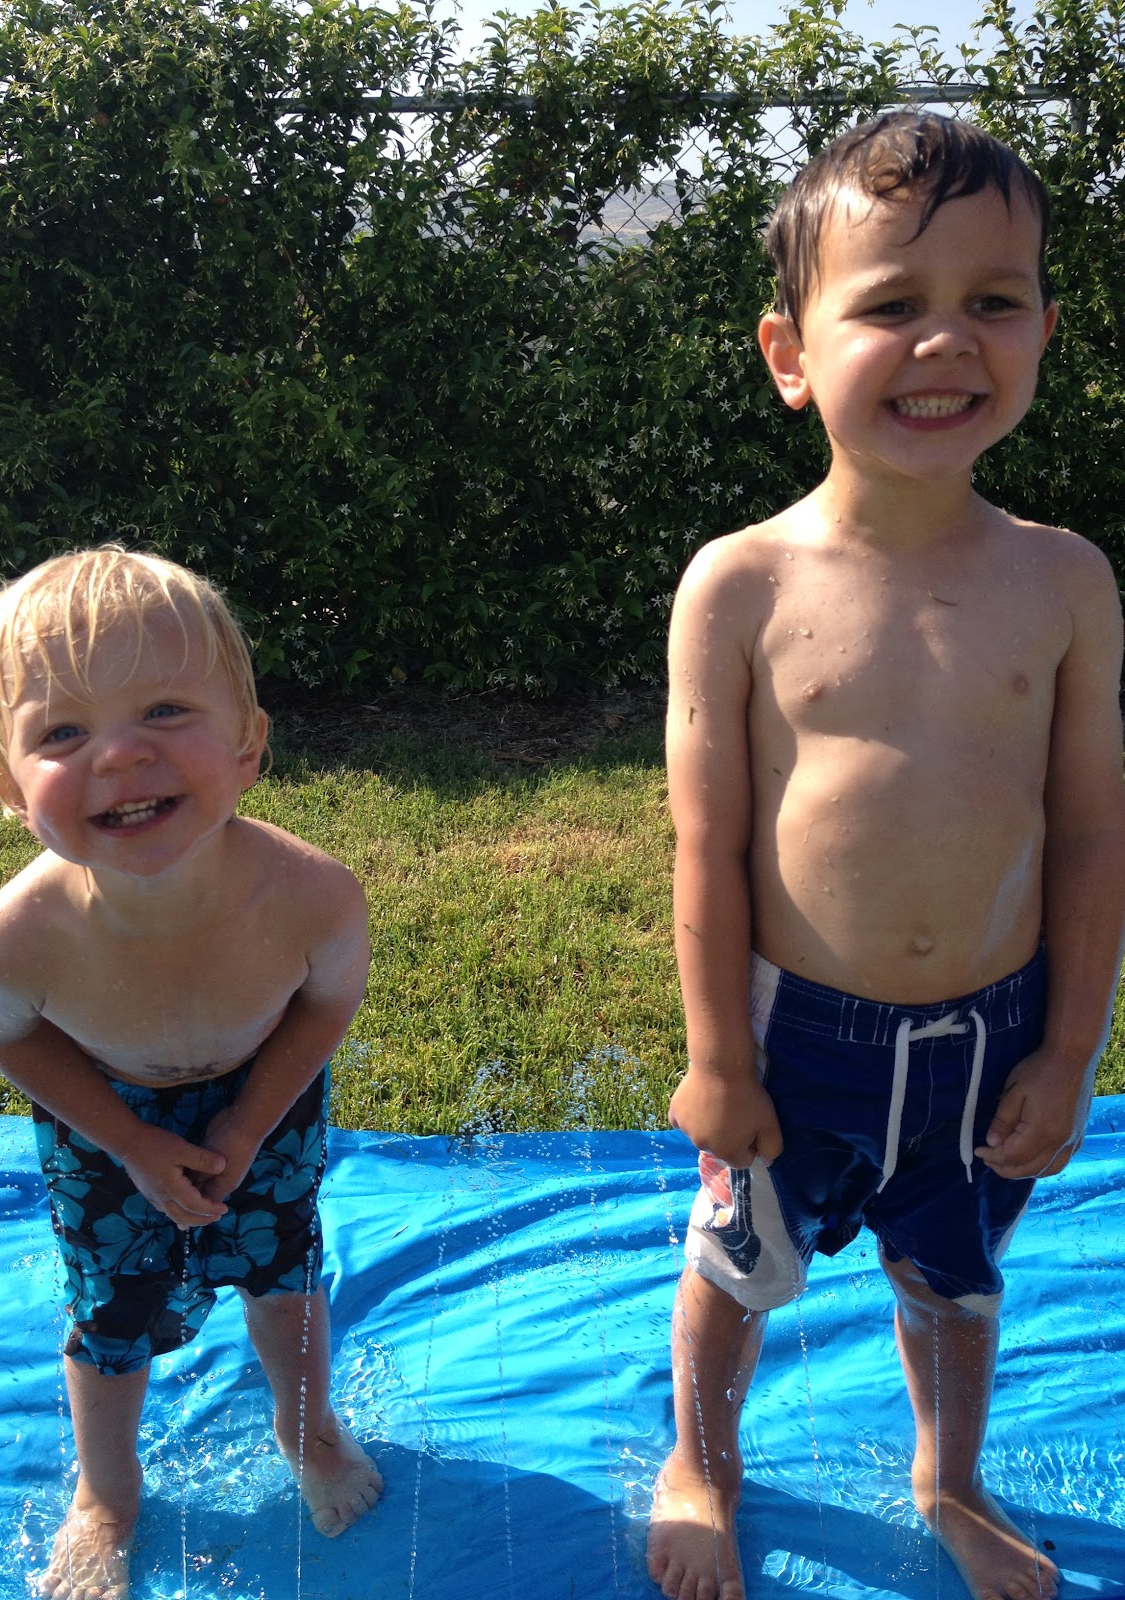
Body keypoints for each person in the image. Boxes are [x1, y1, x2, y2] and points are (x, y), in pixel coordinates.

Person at [646, 111, 1125, 1600]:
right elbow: (709, 844)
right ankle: (700, 1463)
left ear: (1043, 332)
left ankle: (948, 1478)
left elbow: (1093, 833)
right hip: (799, 1037)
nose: (947, 340)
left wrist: (1073, 1051)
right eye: (893, 303)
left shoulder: (1064, 580)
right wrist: (719, 1060)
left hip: (995, 1036)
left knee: (957, 1280)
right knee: (737, 1269)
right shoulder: (740, 584)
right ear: (790, 354)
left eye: (993, 300)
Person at [0, 546, 382, 1600]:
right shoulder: (16, 940)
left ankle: (308, 1430)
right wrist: (131, 1141)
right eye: (62, 733)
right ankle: (107, 1492)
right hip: (104, 1118)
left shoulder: (312, 896)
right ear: (10, 787)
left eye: (163, 711)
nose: (119, 755)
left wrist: (248, 1123)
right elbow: (14, 1038)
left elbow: (325, 1005)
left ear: (248, 747)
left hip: (266, 1097)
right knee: (109, 1317)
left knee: (284, 1278)